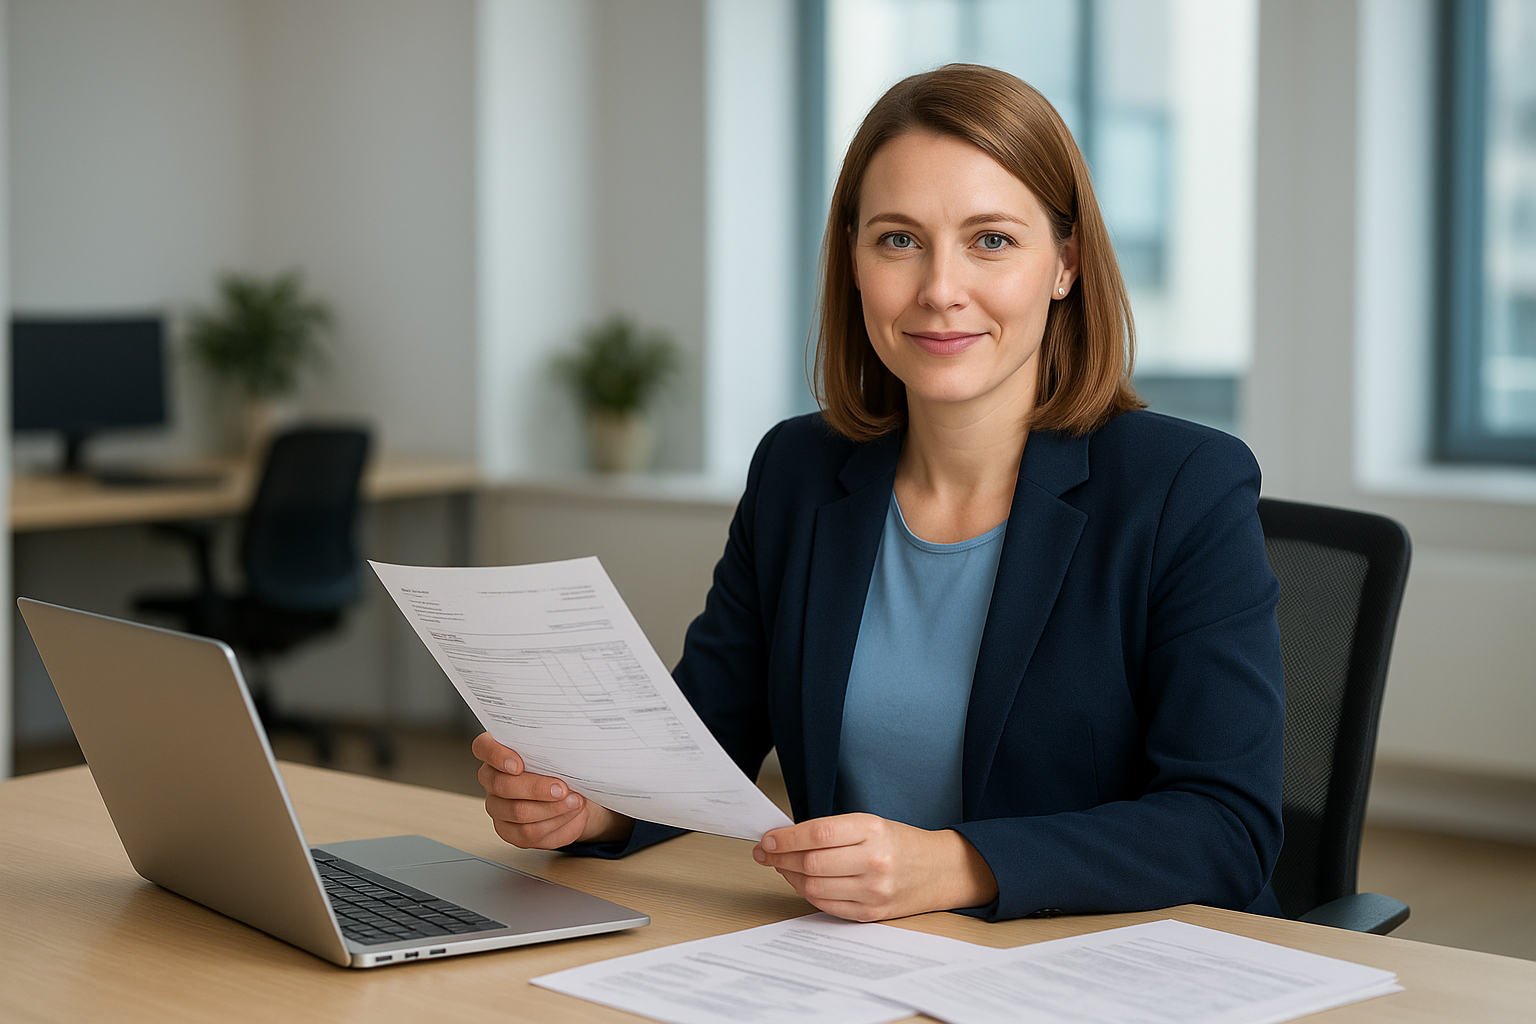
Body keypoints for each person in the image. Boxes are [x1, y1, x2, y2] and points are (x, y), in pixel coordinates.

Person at [473, 64, 1285, 924]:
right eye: (899, 240)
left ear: (1065, 264)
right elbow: (703, 739)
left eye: (992, 240)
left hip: (1102, 970)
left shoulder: (1184, 487)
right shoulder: (798, 470)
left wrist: (958, 866)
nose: (940, 289)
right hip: (851, 967)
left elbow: (1224, 826)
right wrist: (597, 806)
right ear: (854, 261)